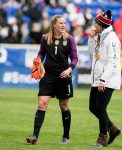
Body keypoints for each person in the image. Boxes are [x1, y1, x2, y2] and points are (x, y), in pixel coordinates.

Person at [26, 15, 78, 145]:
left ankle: (66, 136)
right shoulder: (45, 38)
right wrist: (38, 61)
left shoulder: (70, 39)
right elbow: (41, 53)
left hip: (63, 77)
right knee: (42, 104)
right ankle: (34, 137)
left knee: (64, 106)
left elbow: (75, 58)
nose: (63, 25)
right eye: (60, 23)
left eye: (64, 23)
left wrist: (69, 70)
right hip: (48, 76)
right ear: (54, 24)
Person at [88, 10, 122, 147]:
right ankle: (113, 129)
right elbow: (92, 54)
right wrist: (91, 38)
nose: (94, 25)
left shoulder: (112, 39)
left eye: (96, 23)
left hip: (107, 79)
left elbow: (113, 62)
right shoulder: (99, 36)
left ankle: (103, 137)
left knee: (100, 108)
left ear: (101, 24)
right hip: (97, 77)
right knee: (92, 107)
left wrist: (103, 80)